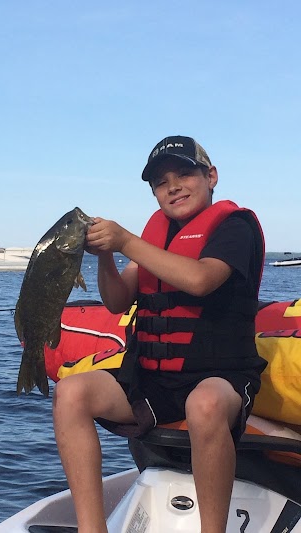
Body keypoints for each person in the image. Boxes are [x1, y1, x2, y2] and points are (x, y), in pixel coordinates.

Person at [53, 135, 267, 533]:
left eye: (185, 173)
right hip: (156, 380)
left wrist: (125, 241)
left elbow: (202, 280)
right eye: (161, 181)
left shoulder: (235, 228)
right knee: (71, 393)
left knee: (203, 405)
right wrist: (105, 257)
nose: (173, 185)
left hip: (222, 378)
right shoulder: (154, 236)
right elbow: (117, 301)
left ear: (211, 176)